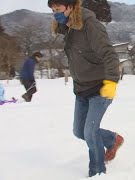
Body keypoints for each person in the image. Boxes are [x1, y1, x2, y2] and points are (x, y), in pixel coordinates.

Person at [48, 0, 123, 177]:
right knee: (79, 131)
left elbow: (110, 55)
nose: (55, 13)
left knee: (90, 133)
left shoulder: (91, 26)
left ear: (70, 6)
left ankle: (97, 172)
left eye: (58, 9)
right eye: (52, 10)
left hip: (101, 87)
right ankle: (113, 140)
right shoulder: (67, 28)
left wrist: (112, 82)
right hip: (81, 89)